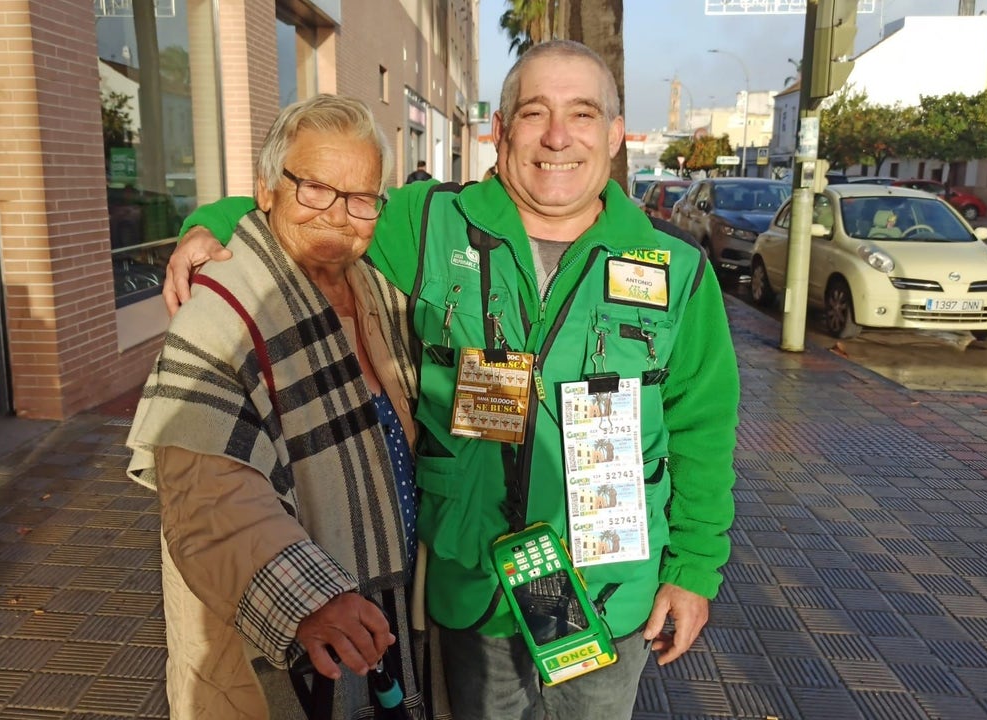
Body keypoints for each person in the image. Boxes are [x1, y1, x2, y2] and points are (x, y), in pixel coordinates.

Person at [166, 40, 739, 720]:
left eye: (583, 115)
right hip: (475, 585)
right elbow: (315, 213)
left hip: (610, 596)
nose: (558, 136)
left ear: (614, 135)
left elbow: (702, 428)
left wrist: (693, 570)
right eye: (535, 113)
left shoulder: (674, 268)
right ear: (500, 130)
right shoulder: (432, 223)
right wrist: (210, 226)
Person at [127, 94, 441, 719]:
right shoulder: (220, 313)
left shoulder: (375, 289)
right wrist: (308, 598)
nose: (338, 216)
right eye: (315, 188)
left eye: (361, 198)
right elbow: (210, 497)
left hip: (385, 610)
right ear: (265, 190)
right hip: (296, 629)